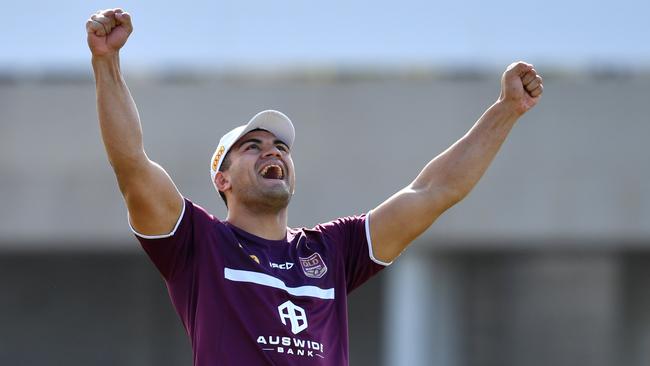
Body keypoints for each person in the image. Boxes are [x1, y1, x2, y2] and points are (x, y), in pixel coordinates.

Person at [86, 8, 543, 366]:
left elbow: (433, 191)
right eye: (252, 146)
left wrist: (506, 109)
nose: (273, 152)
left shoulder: (332, 250)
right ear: (220, 180)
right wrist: (107, 62)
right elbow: (131, 165)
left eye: (280, 147)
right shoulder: (197, 243)